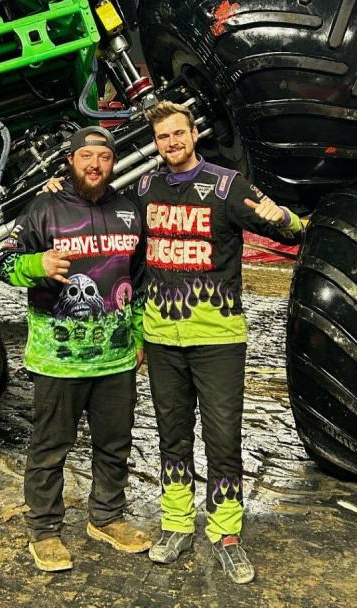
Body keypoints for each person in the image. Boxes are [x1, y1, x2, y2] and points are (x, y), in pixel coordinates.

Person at [137, 100, 303, 584]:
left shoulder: (226, 185)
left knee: (224, 439)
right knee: (172, 436)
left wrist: (283, 216)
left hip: (218, 338)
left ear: (193, 134)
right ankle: (174, 524)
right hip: (161, 336)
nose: (171, 142)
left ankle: (226, 533)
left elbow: (289, 232)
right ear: (156, 142)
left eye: (178, 133)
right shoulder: (146, 188)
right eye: (162, 136)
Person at [0, 126, 152, 573]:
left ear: (112, 162)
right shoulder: (44, 208)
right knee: (51, 447)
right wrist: (36, 264)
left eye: (103, 157)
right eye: (86, 156)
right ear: (70, 160)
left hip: (116, 357)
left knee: (114, 443)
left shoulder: (128, 210)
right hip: (58, 359)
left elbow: (139, 282)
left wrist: (139, 336)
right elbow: (4, 263)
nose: (94, 164)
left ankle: (106, 518)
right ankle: (44, 530)